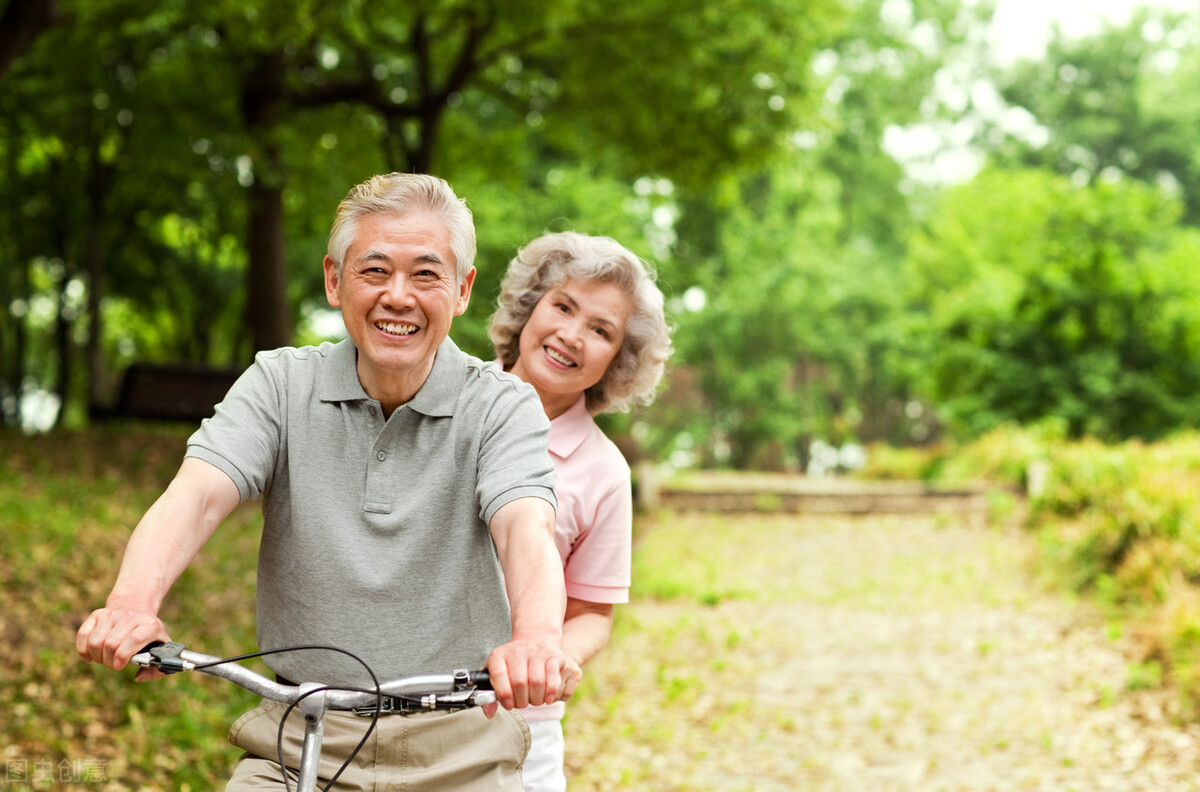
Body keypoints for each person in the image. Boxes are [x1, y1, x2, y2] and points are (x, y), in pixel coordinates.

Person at [75, 173, 569, 791]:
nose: (398, 296)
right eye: (374, 270)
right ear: (335, 280)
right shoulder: (279, 385)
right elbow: (195, 496)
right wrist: (131, 606)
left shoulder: (502, 406)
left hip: (460, 743)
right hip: (298, 733)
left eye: (425, 274)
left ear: (462, 290)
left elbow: (526, 525)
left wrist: (537, 639)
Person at [488, 231, 673, 791]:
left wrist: (548, 660)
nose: (571, 336)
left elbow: (593, 612)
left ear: (618, 360)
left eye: (601, 330)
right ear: (528, 309)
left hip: (520, 732)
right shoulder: (438, 401)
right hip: (398, 708)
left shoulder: (604, 471)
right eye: (562, 307)